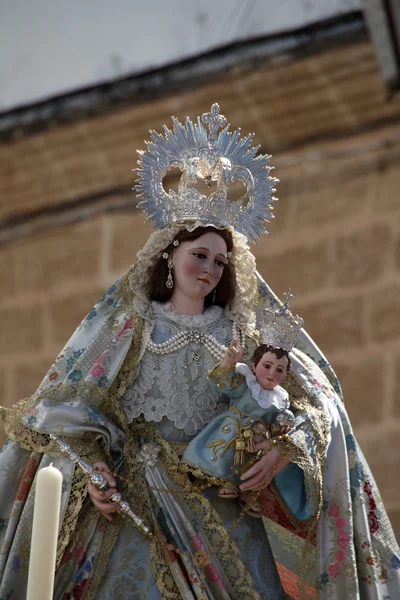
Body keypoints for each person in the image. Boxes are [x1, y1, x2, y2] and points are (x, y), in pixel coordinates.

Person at [0, 104, 398, 600]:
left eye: (219, 260)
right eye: (199, 255)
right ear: (170, 253)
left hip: (223, 514)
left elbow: (321, 404)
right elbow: (69, 412)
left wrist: (283, 448)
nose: (209, 269)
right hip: (137, 515)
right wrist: (94, 471)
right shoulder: (131, 328)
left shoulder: (246, 335)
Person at [182, 296, 301, 513]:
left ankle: (247, 492)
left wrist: (281, 429)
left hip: (257, 439)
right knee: (223, 455)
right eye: (267, 365)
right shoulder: (247, 383)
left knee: (253, 464)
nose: (272, 374)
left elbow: (278, 421)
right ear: (254, 365)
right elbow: (224, 383)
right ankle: (216, 479)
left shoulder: (280, 398)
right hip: (232, 429)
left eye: (280, 370)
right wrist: (229, 363)